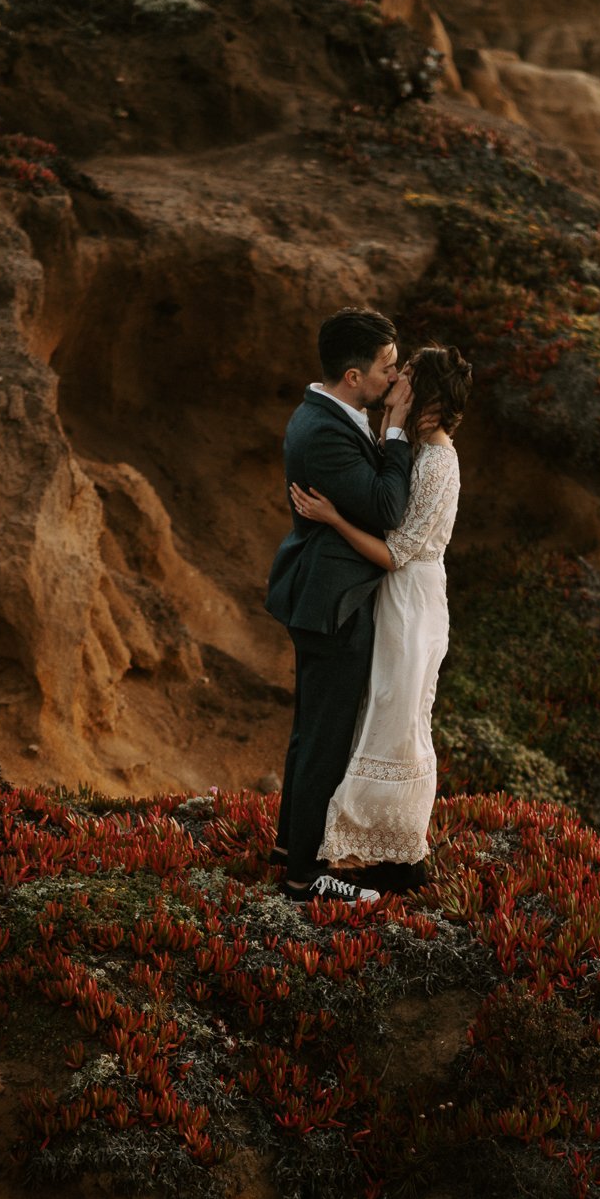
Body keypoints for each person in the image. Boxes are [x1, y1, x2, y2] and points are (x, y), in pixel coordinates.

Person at [289, 344, 471, 891]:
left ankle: (393, 852)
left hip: (411, 601)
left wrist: (333, 518)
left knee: (398, 718)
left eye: (407, 373)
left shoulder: (438, 459)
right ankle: (368, 851)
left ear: (427, 394)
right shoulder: (415, 447)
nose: (396, 377)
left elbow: (399, 551)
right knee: (380, 713)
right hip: (393, 596)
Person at [266, 308, 415, 905]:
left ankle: (288, 846)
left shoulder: (329, 414)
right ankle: (305, 876)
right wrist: (399, 429)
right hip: (335, 603)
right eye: (387, 368)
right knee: (325, 738)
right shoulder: (325, 430)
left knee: (311, 732)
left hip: (321, 594)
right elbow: (386, 508)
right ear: (354, 376)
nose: (394, 377)